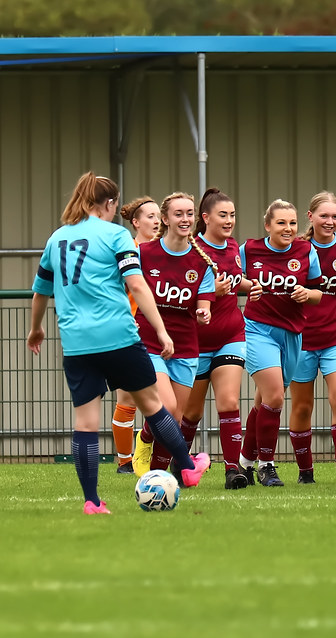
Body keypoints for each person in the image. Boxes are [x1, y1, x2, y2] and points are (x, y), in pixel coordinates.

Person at [27, 172, 209, 514]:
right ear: (109, 203)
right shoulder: (116, 235)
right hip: (118, 336)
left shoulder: (57, 238)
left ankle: (92, 501)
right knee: (152, 404)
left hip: (76, 343)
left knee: (85, 423)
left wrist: (36, 329)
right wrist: (161, 330)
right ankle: (187, 466)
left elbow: (40, 292)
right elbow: (137, 285)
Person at [130, 192, 218, 480]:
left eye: (189, 213)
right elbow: (124, 290)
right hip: (149, 342)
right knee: (165, 407)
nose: (185, 219)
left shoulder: (201, 262)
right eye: (178, 214)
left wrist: (203, 314)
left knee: (176, 418)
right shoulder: (144, 253)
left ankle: (157, 478)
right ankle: (144, 438)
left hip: (186, 346)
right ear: (165, 219)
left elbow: (204, 305)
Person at [179, 188, 261, 490]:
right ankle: (179, 462)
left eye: (232, 215)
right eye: (223, 215)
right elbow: (182, 294)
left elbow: (233, 281)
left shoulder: (233, 247)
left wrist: (250, 286)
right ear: (206, 217)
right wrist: (211, 291)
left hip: (231, 334)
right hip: (196, 341)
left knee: (229, 401)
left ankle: (232, 471)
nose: (229, 220)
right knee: (191, 412)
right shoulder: (192, 249)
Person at [238, 199, 323, 487]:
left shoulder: (306, 250)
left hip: (293, 334)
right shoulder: (249, 250)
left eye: (292, 223)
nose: (288, 228)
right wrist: (248, 287)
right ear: (267, 225)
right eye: (281, 223)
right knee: (275, 397)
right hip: (258, 330)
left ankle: (244, 463)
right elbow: (233, 280)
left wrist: (306, 294)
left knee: (264, 402)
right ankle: (266, 465)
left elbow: (318, 293)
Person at [288, 191, 336, 485]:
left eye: (335, 216)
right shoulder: (297, 248)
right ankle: (305, 472)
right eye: (324, 216)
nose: (330, 221)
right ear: (310, 217)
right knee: (302, 406)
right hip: (301, 338)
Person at [110, 196, 161, 474]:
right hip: (131, 332)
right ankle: (124, 462)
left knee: (165, 399)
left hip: (164, 333)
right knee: (128, 398)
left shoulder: (166, 251)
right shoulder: (127, 250)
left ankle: (157, 453)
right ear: (136, 222)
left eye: (158, 216)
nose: (156, 221)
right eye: (150, 216)